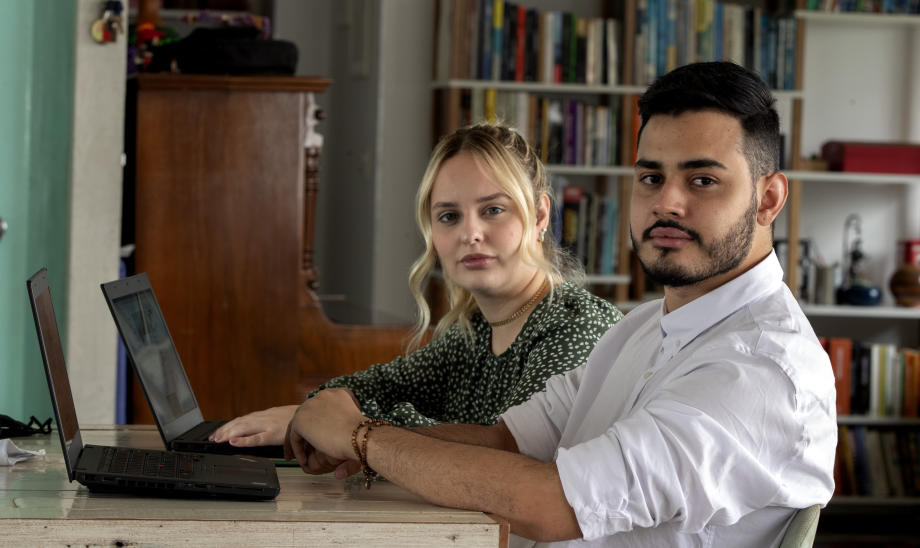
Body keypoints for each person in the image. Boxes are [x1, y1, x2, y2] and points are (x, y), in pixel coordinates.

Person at [283, 61, 838, 547]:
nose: (667, 202)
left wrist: (362, 438)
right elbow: (507, 439)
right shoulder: (644, 327)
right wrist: (350, 439)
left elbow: (554, 503)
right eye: (651, 176)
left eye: (702, 180)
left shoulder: (760, 371)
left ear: (767, 199)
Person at [211, 123, 622, 447]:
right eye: (449, 216)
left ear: (539, 215)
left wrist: (341, 428)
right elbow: (377, 386)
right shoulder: (476, 328)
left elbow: (508, 453)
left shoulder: (574, 326)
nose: (470, 233)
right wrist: (310, 414)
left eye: (493, 210)